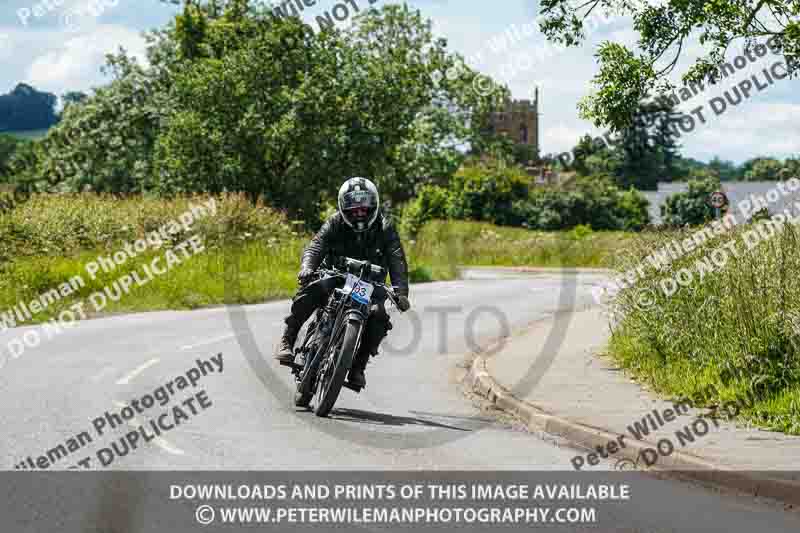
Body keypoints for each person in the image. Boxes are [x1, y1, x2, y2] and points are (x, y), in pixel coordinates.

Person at [274, 177, 411, 388]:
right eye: (352, 206)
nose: (358, 211)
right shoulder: (335, 221)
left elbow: (397, 259)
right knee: (311, 290)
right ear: (342, 205)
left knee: (379, 315)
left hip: (369, 283)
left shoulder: (385, 227)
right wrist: (307, 267)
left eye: (364, 205)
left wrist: (401, 292)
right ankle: (288, 338)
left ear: (373, 204)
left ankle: (358, 366)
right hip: (335, 275)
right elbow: (316, 246)